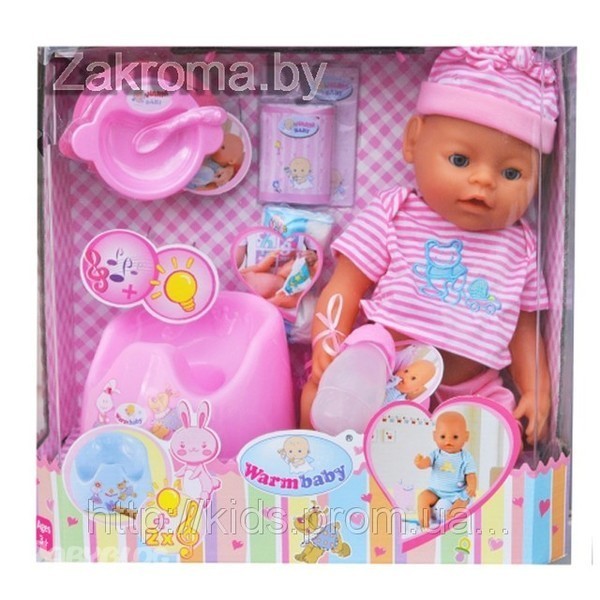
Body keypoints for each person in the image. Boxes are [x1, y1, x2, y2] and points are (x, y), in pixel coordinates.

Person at [302, 47, 556, 445]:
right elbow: (345, 286)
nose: (484, 181)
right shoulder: (396, 213)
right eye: (460, 160)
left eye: (511, 172)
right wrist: (328, 340)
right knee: (325, 394)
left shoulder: (520, 245)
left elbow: (525, 329)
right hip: (384, 372)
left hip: (472, 389)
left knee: (498, 435)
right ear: (413, 141)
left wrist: (536, 390)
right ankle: (314, 461)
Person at [414, 411, 477, 529]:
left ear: (466, 436)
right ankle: (424, 525)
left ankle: (448, 527)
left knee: (457, 509)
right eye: (443, 437)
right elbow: (426, 463)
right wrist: (420, 463)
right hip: (435, 491)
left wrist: (472, 486)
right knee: (422, 497)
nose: (448, 441)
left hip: (457, 494)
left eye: (455, 437)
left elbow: (470, 474)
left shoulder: (466, 457)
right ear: (435, 436)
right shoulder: (435, 454)